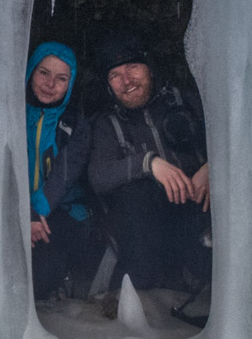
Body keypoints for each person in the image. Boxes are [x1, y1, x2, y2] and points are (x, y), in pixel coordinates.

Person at [85, 34, 211, 293]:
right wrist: (148, 163)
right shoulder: (108, 124)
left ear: (149, 69)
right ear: (108, 86)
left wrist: (214, 168)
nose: (127, 80)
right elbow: (99, 176)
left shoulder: (185, 101)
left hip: (199, 208)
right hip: (148, 226)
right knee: (133, 197)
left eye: (132, 67)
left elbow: (235, 136)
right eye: (115, 75)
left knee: (206, 268)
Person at [24, 41, 99, 300]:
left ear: (70, 84)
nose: (50, 84)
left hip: (61, 211)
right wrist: (22, 213)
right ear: (31, 71)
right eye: (43, 72)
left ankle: (62, 281)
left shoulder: (75, 125)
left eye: (61, 78)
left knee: (41, 273)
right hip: (19, 211)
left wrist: (34, 213)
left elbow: (62, 179)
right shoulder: (12, 115)